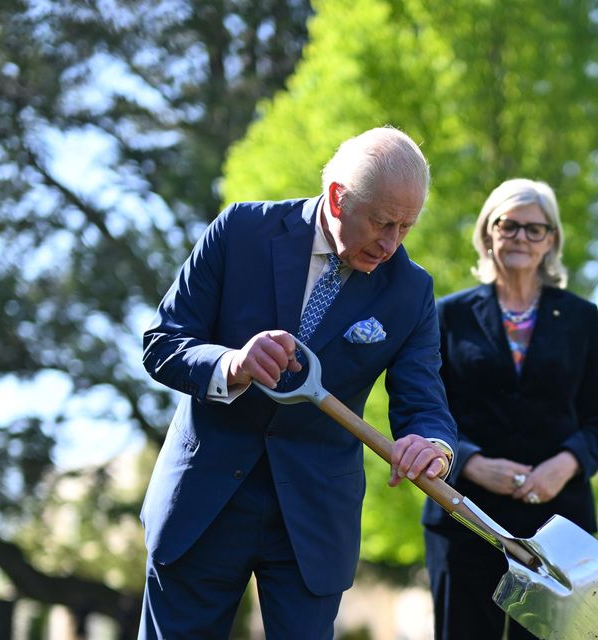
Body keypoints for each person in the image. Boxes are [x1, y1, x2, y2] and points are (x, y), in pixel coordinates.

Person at [138, 127, 457, 638]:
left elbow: (424, 399)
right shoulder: (239, 230)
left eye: (406, 226)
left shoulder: (411, 289)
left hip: (313, 521)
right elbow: (164, 344)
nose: (392, 243)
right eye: (381, 222)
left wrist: (432, 444)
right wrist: (232, 365)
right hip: (202, 504)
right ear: (337, 196)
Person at [422, 178, 598, 639]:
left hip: (559, 527)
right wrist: (470, 462)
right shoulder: (447, 315)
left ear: (551, 240)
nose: (521, 238)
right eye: (509, 225)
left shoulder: (581, 317)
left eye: (535, 229)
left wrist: (565, 465)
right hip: (466, 517)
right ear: (488, 232)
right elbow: (426, 406)